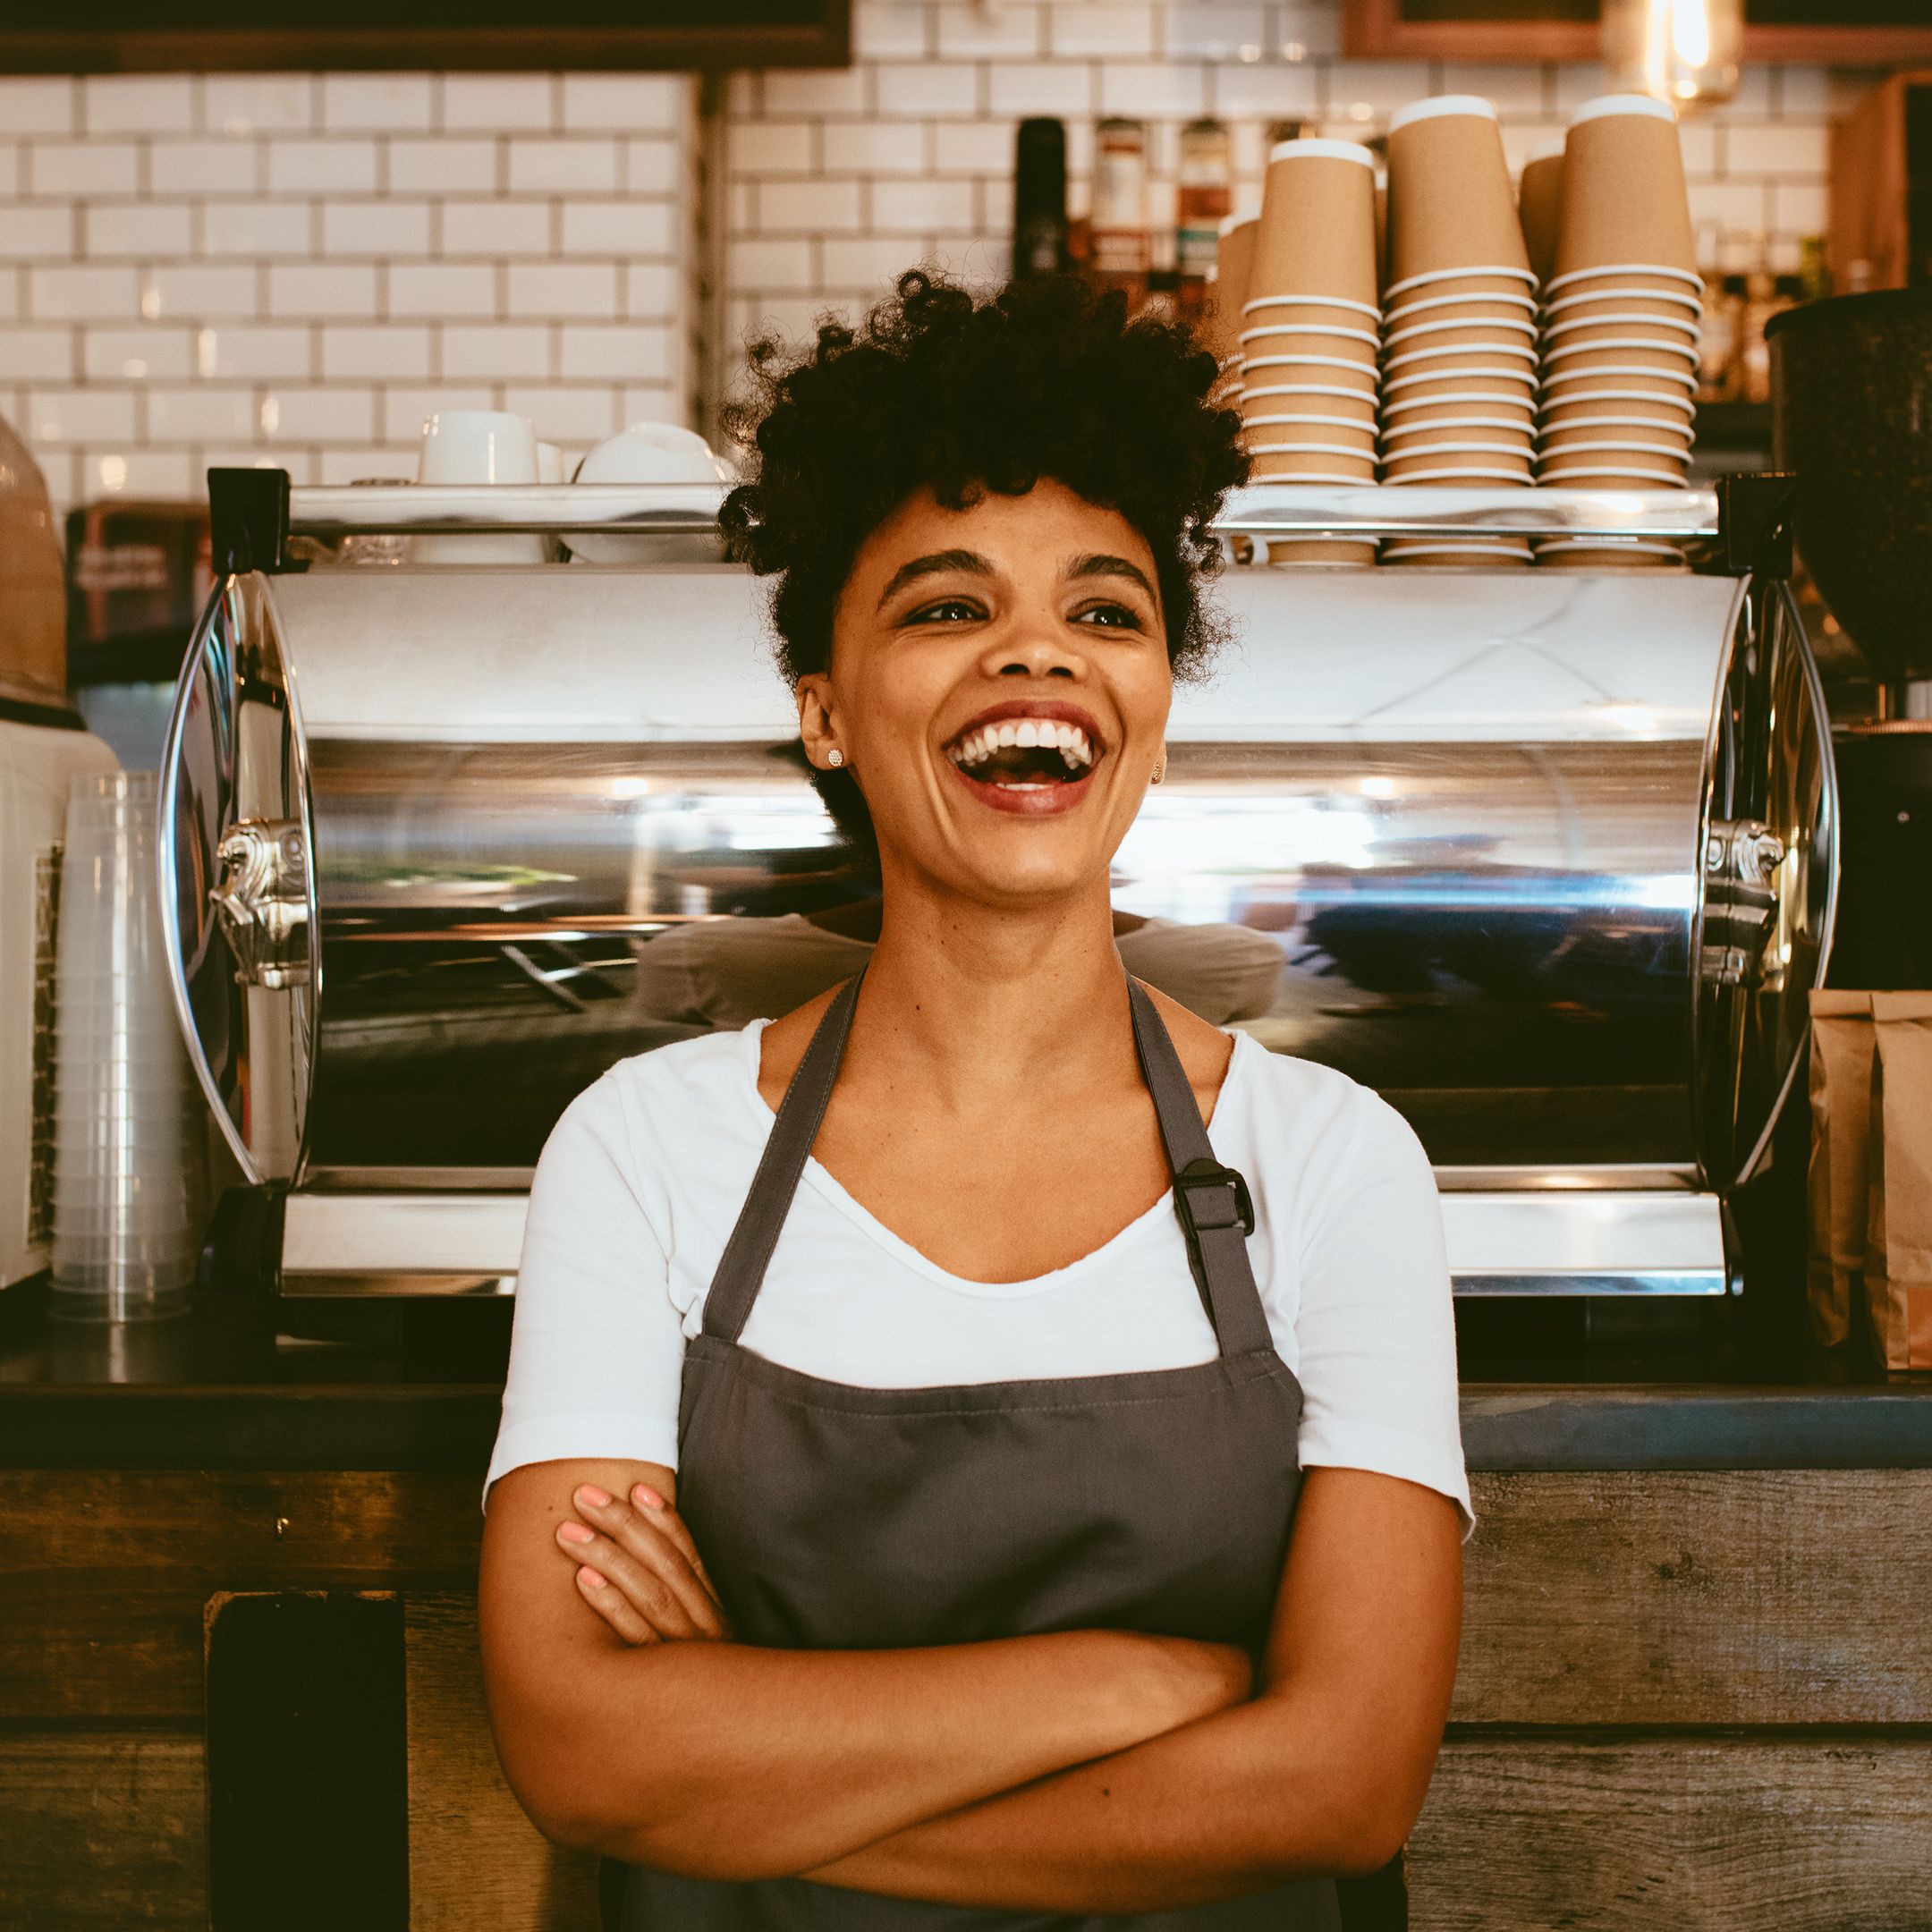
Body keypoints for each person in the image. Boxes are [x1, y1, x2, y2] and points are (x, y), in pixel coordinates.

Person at [479, 272, 1470, 1930]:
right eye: (946, 607)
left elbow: (1345, 1784)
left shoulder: (1335, 1164)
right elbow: (579, 1749)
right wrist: (1127, 1689)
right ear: (824, 710)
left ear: (1154, 710)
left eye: (1108, 609)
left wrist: (730, 1779)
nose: (1037, 649)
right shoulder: (647, 1152)